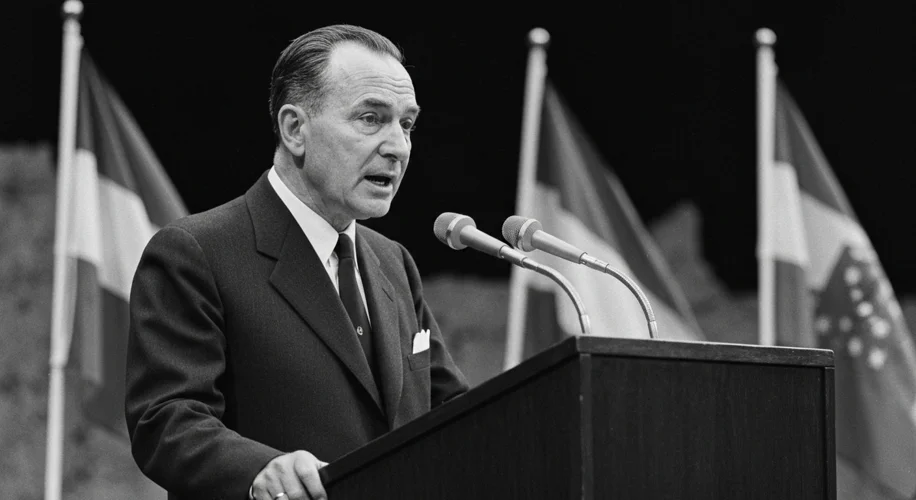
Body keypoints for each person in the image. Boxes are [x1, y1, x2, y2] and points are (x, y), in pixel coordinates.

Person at [124, 24, 469, 500]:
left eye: (406, 124)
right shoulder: (197, 251)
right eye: (372, 118)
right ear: (295, 129)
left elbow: (455, 415)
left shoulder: (394, 263)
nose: (398, 146)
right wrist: (262, 470)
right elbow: (164, 418)